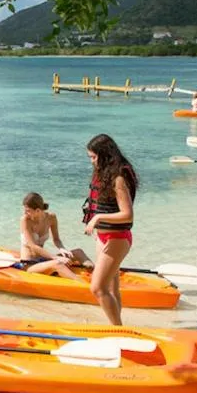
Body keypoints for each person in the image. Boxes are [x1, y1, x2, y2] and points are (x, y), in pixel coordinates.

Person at [82, 134, 137, 325]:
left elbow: (127, 214)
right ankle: (117, 327)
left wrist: (97, 217)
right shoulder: (105, 175)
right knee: (112, 289)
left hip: (118, 238)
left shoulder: (119, 179)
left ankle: (117, 330)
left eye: (94, 157)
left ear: (105, 156)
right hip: (103, 237)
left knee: (97, 288)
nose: (92, 162)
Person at [16, 192, 91, 278]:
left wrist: (62, 249)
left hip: (43, 260)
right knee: (58, 264)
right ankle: (84, 286)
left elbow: (56, 240)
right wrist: (56, 257)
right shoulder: (25, 220)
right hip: (29, 264)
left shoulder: (51, 218)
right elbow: (32, 246)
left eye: (28, 211)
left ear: (38, 210)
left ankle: (96, 273)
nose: (24, 213)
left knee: (78, 252)